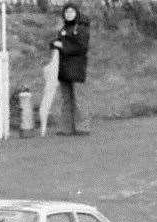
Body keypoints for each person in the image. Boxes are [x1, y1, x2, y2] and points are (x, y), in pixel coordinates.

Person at [52, 2, 91, 136]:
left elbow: (81, 47)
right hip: (63, 68)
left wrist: (62, 45)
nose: (69, 14)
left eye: (71, 12)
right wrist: (55, 44)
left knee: (79, 98)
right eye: (66, 12)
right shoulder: (63, 28)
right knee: (66, 99)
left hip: (77, 67)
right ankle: (66, 128)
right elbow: (55, 43)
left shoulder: (82, 27)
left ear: (76, 13)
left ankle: (82, 127)